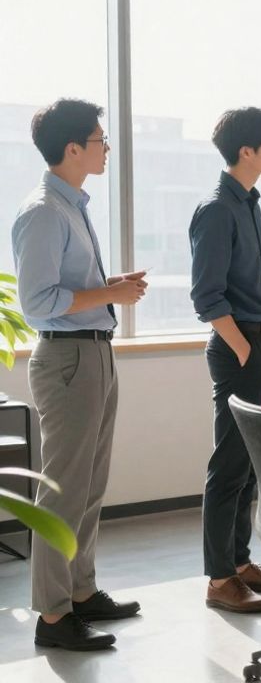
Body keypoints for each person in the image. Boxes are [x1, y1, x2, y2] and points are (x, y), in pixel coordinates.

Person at [13, 99, 147, 651]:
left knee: (90, 485)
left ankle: (81, 592)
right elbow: (37, 302)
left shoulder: (72, 205)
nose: (106, 147)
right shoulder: (43, 210)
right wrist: (111, 294)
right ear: (73, 149)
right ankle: (52, 617)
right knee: (64, 492)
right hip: (67, 358)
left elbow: (69, 286)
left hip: (93, 352)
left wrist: (108, 285)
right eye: (99, 139)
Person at [189, 107, 261, 613]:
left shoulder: (248, 203)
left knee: (250, 465)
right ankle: (218, 579)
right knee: (228, 466)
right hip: (239, 349)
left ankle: (239, 562)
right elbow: (207, 297)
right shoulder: (217, 209)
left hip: (260, 343)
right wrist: (247, 347)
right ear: (246, 150)